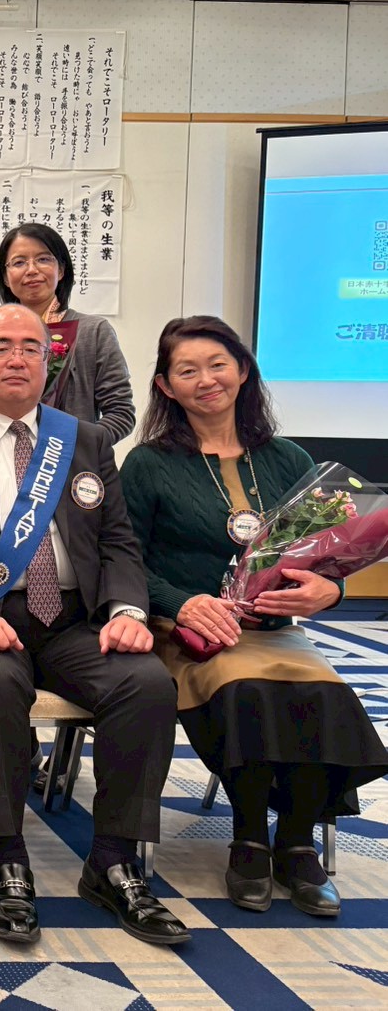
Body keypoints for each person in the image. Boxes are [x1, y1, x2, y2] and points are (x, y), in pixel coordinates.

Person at [0, 303, 187, 947]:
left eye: (32, 346)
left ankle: (113, 861)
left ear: (50, 361)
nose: (18, 358)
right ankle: (8, 861)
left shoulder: (84, 440)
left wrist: (128, 612)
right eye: (1, 346)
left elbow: (118, 541)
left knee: (147, 684)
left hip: (75, 622)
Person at [121, 315, 388, 917]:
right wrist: (180, 604)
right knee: (247, 690)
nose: (206, 380)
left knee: (324, 693)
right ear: (165, 386)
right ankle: (248, 840)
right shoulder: (148, 464)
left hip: (273, 630)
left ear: (243, 370)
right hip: (187, 633)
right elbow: (124, 560)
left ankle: (295, 842)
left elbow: (328, 555)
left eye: (218, 365)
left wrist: (329, 592)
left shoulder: (288, 458)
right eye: (187, 370)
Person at [0, 222, 135, 444]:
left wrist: (75, 447)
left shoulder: (93, 332)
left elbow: (121, 413)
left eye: (43, 259)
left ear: (61, 270)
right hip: (1, 460)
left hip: (73, 461)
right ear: (5, 277)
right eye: (19, 262)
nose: (31, 270)